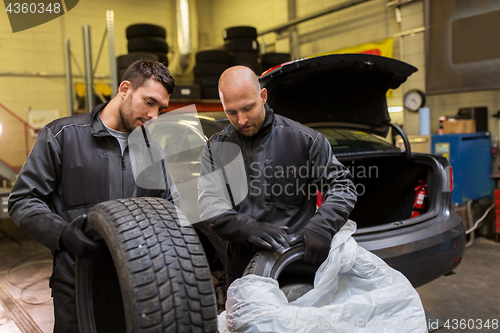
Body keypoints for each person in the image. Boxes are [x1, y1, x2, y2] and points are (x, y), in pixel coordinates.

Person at [8, 60, 177, 333]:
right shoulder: (62, 136)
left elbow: (168, 207)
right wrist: (63, 234)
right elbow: (23, 200)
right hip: (76, 278)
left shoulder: (152, 150)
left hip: (137, 281)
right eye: (149, 102)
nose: (155, 115)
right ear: (125, 89)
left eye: (161, 108)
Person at [197, 66, 357, 288]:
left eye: (247, 108)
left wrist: (322, 227)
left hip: (296, 266)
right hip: (243, 269)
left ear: (263, 97)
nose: (241, 120)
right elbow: (209, 203)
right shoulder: (216, 148)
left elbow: (342, 187)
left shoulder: (306, 141)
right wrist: (247, 229)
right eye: (231, 112)